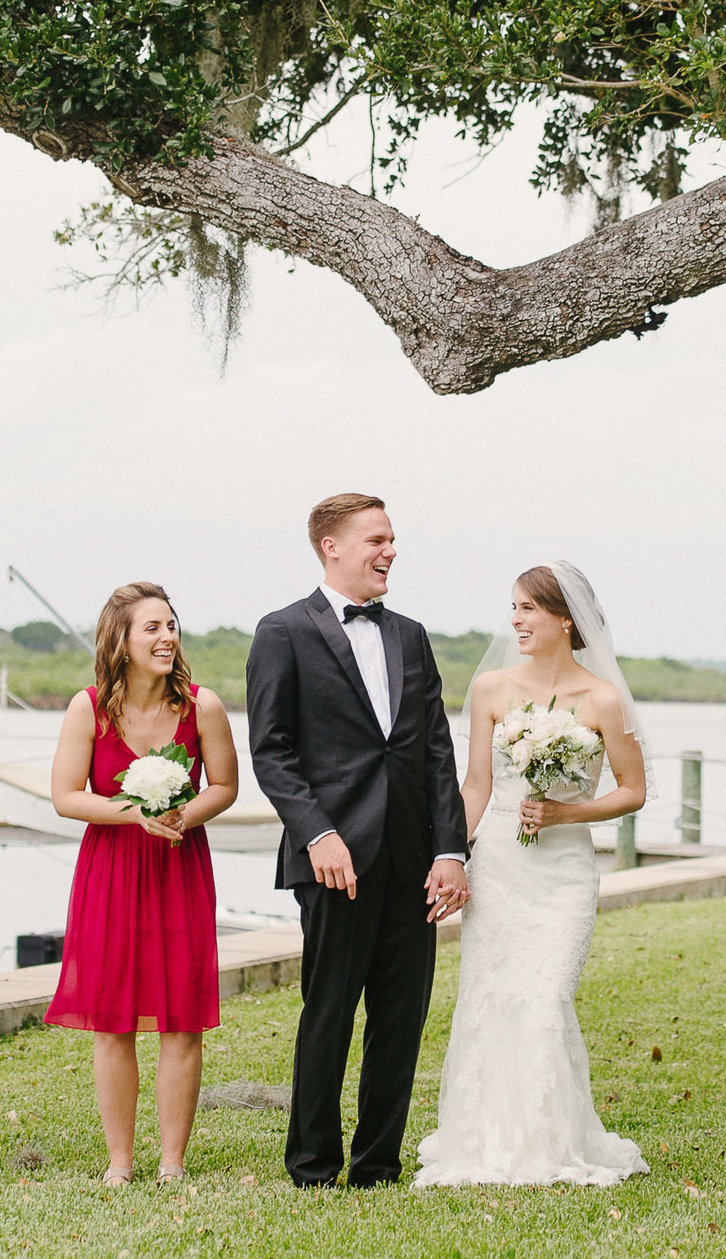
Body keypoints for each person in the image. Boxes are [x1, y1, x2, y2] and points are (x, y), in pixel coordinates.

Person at [247, 494, 470, 1188]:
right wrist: (317, 833)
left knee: (401, 1022)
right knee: (329, 1013)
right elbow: (271, 751)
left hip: (412, 859)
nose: (391, 551)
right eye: (377, 538)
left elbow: (435, 750)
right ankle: (313, 1165)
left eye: (393, 538)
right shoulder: (281, 631)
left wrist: (450, 850)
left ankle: (378, 1165)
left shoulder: (411, 634)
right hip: (334, 859)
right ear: (332, 546)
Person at [418, 562, 650, 1187]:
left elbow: (633, 791)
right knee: (491, 995)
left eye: (529, 609)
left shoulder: (602, 698)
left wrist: (569, 811)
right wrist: (452, 855)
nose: (515, 619)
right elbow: (476, 786)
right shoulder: (492, 688)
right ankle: (486, 1138)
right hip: (500, 861)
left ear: (565, 619)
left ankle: (549, 1142)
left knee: (546, 997)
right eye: (513, 607)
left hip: (565, 870)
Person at [47, 582, 239, 1184]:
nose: (167, 637)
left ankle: (173, 1163)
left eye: (172, 625)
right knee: (115, 1021)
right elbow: (65, 797)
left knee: (181, 1020)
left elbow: (226, 787)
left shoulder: (201, 706)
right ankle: (120, 1162)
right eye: (152, 628)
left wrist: (184, 815)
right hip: (110, 871)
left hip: (180, 867)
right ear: (121, 639)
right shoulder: (89, 709)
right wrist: (135, 814)